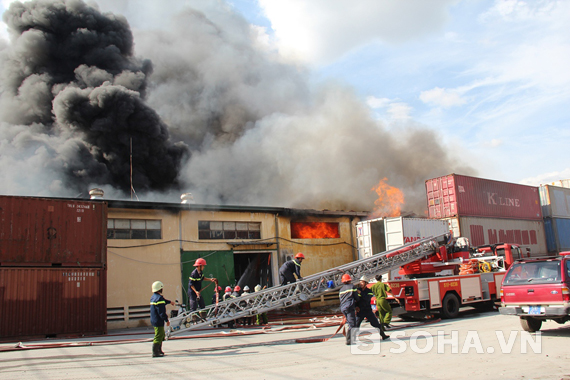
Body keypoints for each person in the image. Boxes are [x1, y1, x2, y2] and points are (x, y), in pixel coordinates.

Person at [356, 275, 389, 340]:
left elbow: (367, 298)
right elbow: (355, 299)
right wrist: (356, 306)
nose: (360, 283)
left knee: (376, 324)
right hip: (360, 311)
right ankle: (352, 338)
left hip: (368, 311)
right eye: (360, 282)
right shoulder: (357, 290)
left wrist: (361, 293)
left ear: (366, 283)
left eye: (362, 282)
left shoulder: (369, 291)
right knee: (356, 325)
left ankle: (383, 336)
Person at [150, 281, 174, 357]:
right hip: (158, 320)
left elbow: (163, 301)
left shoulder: (154, 297)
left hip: (154, 319)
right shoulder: (159, 298)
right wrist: (166, 320)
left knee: (161, 334)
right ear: (160, 289)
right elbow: (161, 312)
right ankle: (155, 352)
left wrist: (170, 302)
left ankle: (159, 350)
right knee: (158, 335)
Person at [339, 273, 359, 345]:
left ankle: (350, 339)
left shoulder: (341, 290)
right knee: (352, 324)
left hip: (343, 308)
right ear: (349, 280)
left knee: (350, 323)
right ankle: (349, 340)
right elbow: (356, 297)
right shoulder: (352, 287)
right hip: (349, 307)